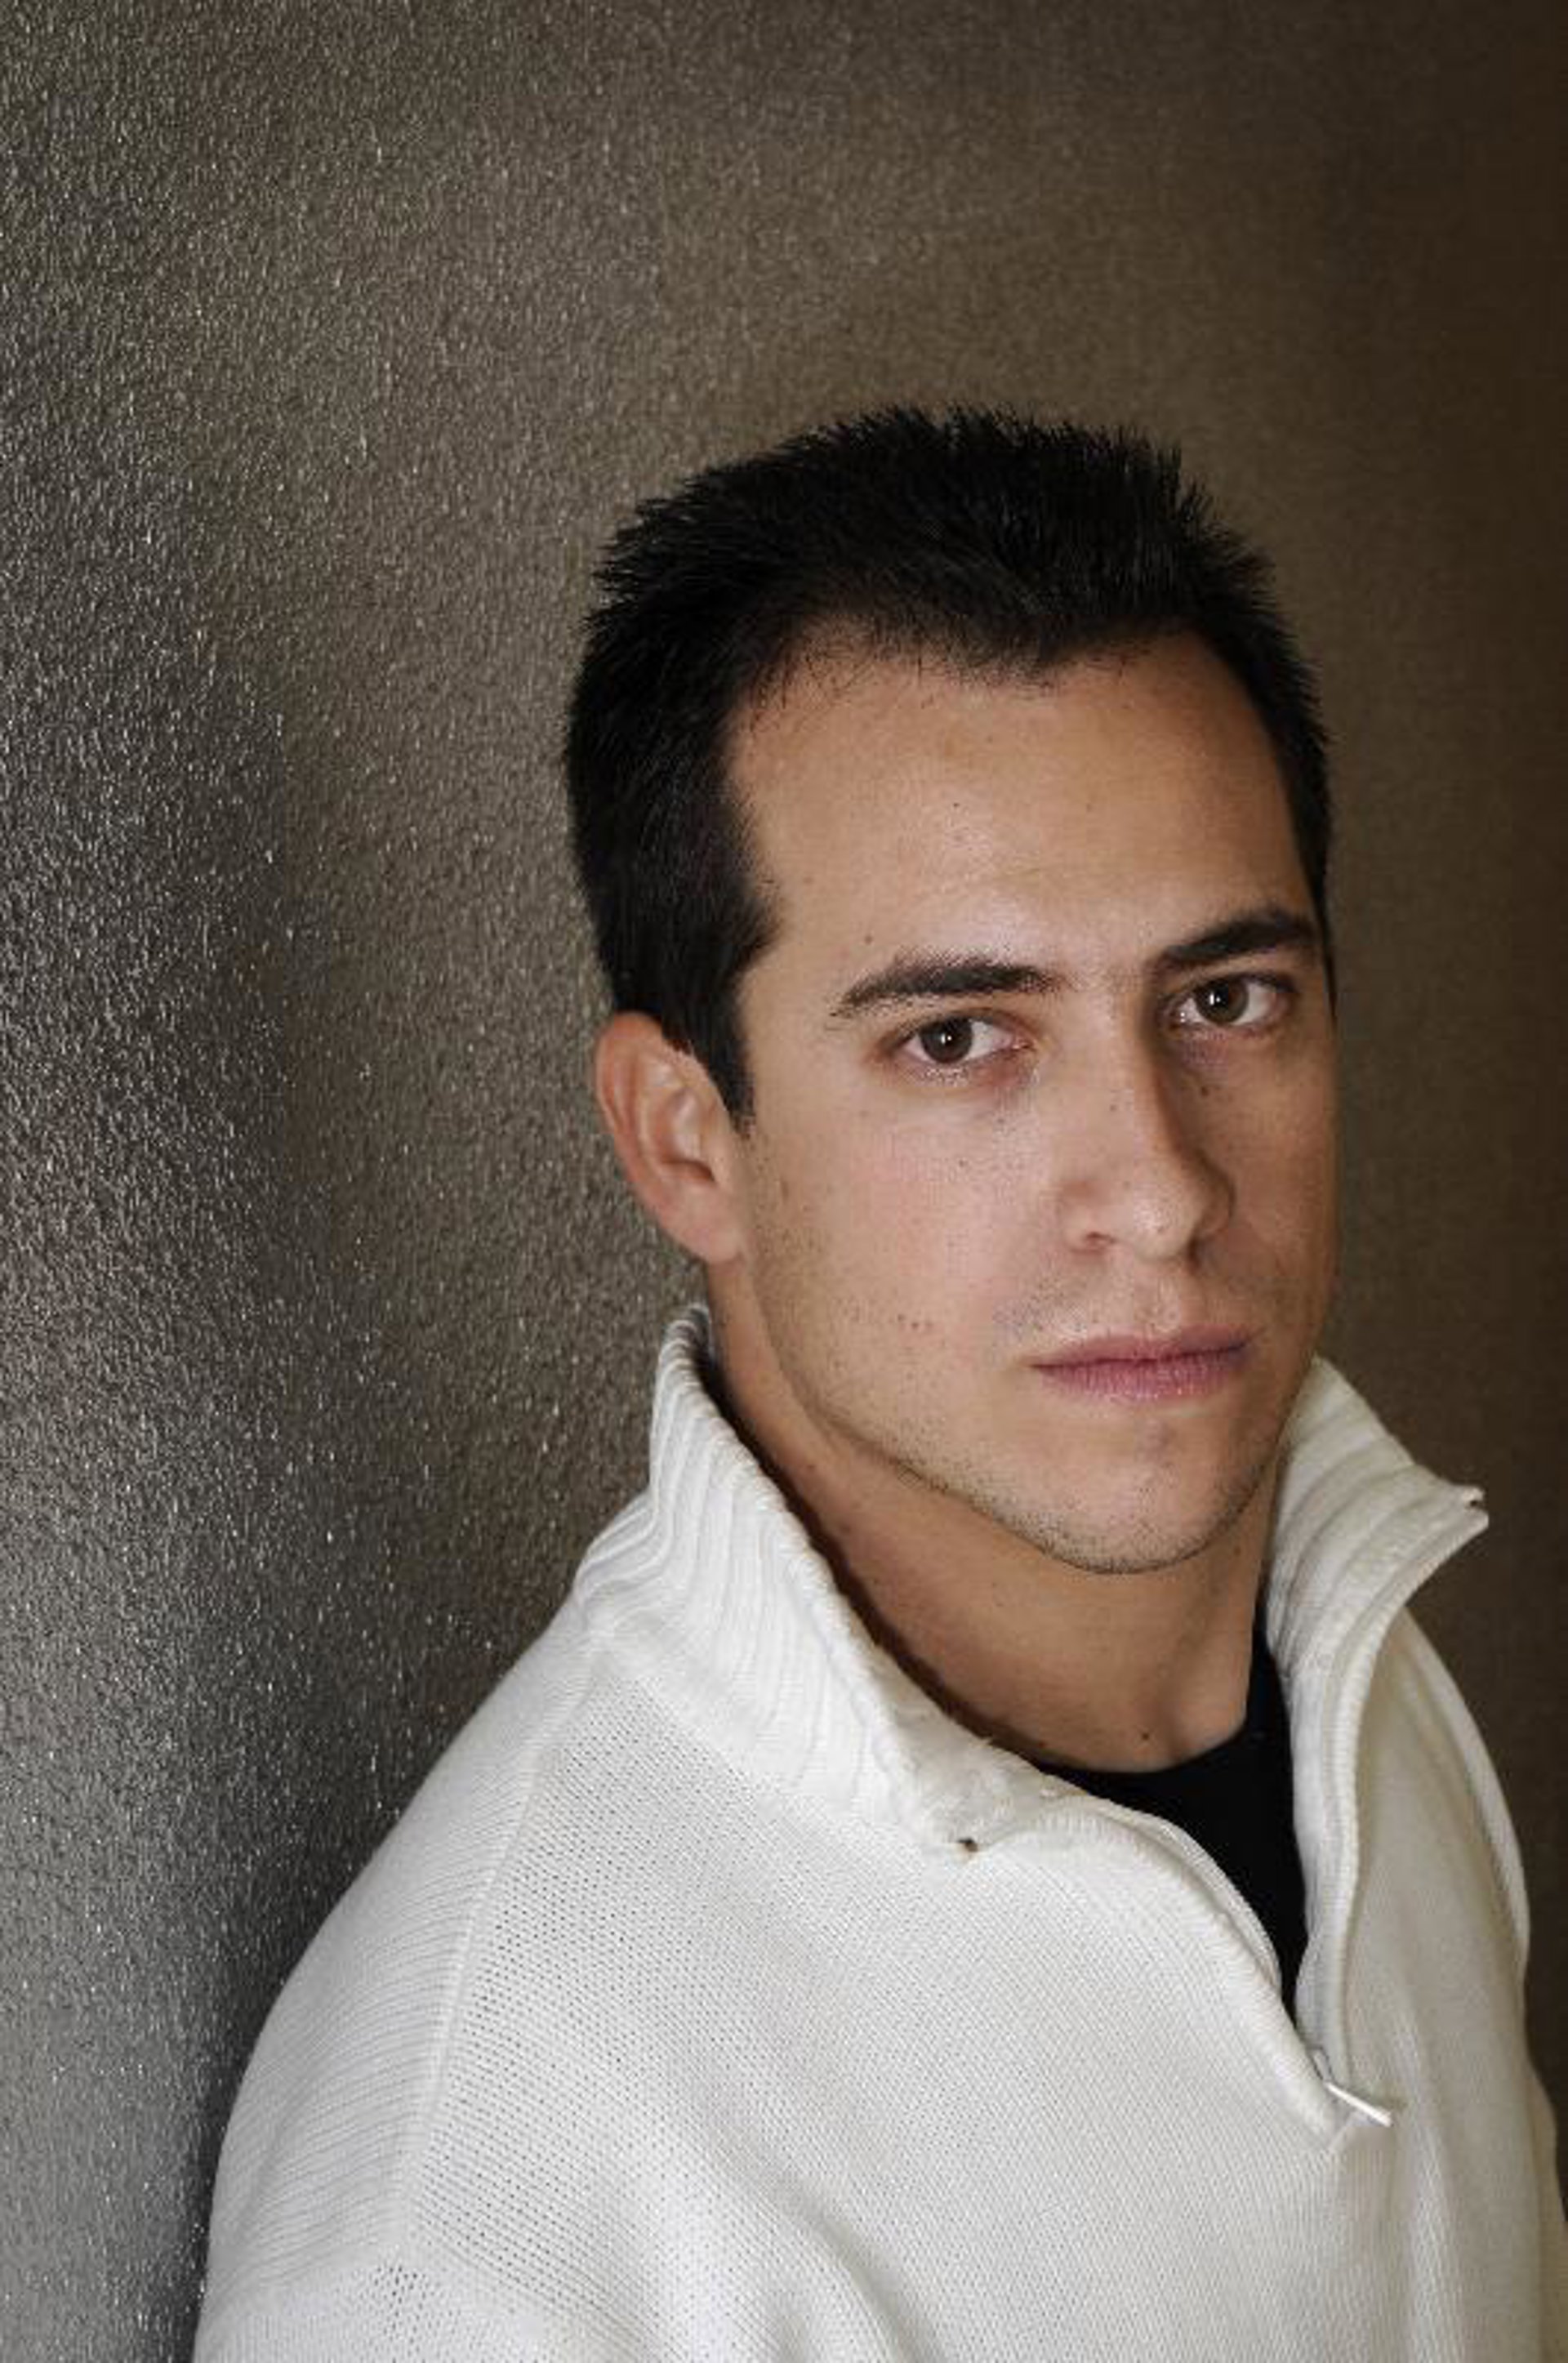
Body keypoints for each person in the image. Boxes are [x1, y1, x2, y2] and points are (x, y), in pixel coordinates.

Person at [194, 408, 1566, 2361]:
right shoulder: (490, 2220)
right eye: (959, 1039)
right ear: (687, 1140)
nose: (1160, 1191)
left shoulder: (1369, 1662)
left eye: (1223, 999)